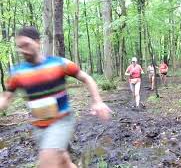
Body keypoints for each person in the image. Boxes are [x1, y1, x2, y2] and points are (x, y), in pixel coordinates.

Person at [0, 26, 112, 168]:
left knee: (47, 163)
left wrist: (98, 101)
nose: (23, 50)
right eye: (20, 47)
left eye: (26, 45)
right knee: (63, 161)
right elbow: (6, 98)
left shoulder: (58, 63)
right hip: (40, 126)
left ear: (37, 42)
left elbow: (86, 78)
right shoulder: (17, 72)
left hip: (61, 121)